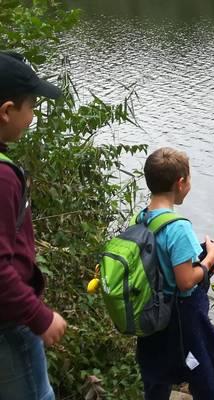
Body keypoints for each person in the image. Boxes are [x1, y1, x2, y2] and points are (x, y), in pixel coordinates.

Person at [134, 147, 214, 399]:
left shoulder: (143, 218)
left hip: (153, 312)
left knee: (156, 374)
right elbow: (186, 281)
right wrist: (211, 256)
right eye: (189, 179)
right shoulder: (178, 228)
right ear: (180, 183)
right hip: (180, 318)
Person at [0, 51, 66, 400]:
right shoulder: (3, 178)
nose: (33, 115)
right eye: (31, 106)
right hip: (10, 324)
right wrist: (37, 315)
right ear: (7, 111)